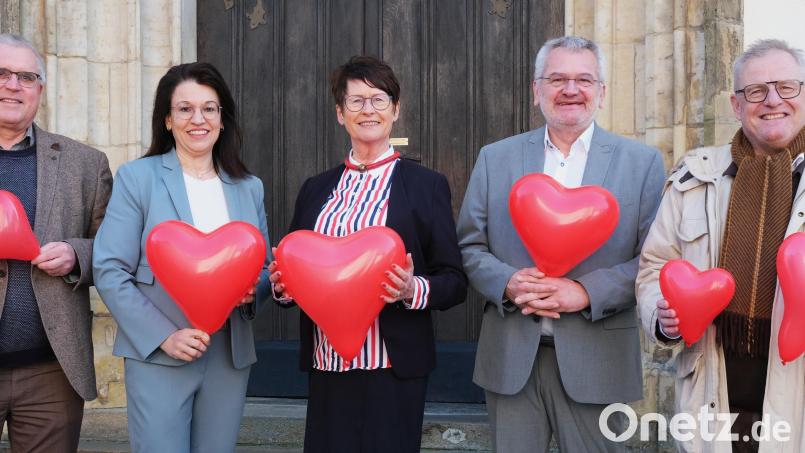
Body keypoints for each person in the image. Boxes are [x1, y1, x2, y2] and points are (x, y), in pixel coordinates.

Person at [457, 36, 666, 452]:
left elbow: (654, 259)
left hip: (599, 359)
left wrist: (586, 292)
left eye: (583, 79)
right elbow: (469, 246)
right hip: (512, 358)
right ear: (537, 90)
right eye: (557, 78)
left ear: (602, 92)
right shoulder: (495, 158)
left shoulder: (642, 163)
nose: (570, 89)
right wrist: (509, 283)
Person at [269, 55, 467, 453]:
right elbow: (296, 270)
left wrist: (412, 289)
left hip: (394, 367)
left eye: (378, 99)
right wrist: (282, 288)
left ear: (396, 109)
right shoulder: (314, 188)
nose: (368, 110)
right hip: (328, 366)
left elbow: (454, 280)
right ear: (340, 113)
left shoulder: (425, 185)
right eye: (355, 101)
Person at [92, 62, 271, 453]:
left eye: (209, 108)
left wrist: (252, 290)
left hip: (229, 353)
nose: (198, 119)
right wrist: (164, 337)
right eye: (185, 109)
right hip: (161, 353)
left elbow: (263, 268)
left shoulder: (249, 187)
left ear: (223, 119)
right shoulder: (137, 178)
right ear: (168, 120)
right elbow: (109, 268)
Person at [637, 39, 805, 453]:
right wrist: (663, 316)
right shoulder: (694, 178)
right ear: (736, 104)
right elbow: (654, 267)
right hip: (711, 395)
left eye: (787, 87)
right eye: (756, 91)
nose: (772, 101)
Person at [0, 33, 112, 452]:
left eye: (26, 76)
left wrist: (77, 255)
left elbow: (116, 250)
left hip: (50, 372)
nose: (13, 85)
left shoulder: (85, 163)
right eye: (2, 73)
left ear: (40, 90)